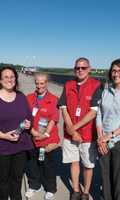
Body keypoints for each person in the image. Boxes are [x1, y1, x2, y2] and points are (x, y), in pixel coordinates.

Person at [0, 66, 33, 200]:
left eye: (12, 77)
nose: (9, 79)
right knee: (1, 182)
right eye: (6, 77)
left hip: (20, 146)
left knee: (17, 180)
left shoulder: (21, 97)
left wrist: (28, 124)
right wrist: (4, 135)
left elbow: (29, 116)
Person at [58, 57, 101, 200]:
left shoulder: (96, 85)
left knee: (88, 165)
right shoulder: (68, 84)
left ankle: (86, 192)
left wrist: (74, 129)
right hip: (70, 135)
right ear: (74, 69)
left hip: (88, 134)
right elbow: (63, 108)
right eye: (77, 68)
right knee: (74, 162)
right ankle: (76, 190)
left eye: (83, 68)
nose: (80, 70)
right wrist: (72, 131)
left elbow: (93, 112)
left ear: (89, 69)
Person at [25, 73, 60, 200]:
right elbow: (25, 117)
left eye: (42, 83)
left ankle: (50, 188)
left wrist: (45, 135)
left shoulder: (54, 99)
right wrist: (33, 132)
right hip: (32, 136)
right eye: (37, 83)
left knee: (47, 164)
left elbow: (54, 119)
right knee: (32, 163)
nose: (40, 86)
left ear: (47, 83)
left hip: (47, 138)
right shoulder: (29, 98)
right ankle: (35, 185)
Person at [96, 59, 120, 200]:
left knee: (117, 178)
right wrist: (100, 137)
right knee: (104, 175)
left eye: (119, 71)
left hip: (117, 141)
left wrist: (109, 136)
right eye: (114, 70)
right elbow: (99, 113)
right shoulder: (106, 90)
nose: (116, 73)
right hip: (103, 140)